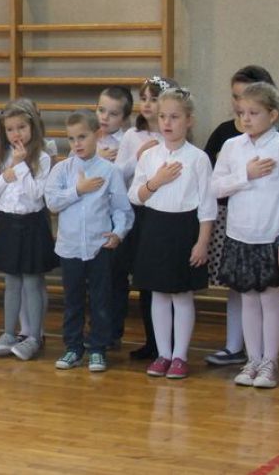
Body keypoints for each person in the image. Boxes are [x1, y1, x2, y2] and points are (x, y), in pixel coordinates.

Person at [203, 66, 279, 367]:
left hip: (272, 236)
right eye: (242, 113)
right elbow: (214, 187)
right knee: (247, 300)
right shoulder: (231, 146)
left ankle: (269, 362)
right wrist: (244, 175)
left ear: (272, 115)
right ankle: (253, 359)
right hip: (240, 235)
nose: (246, 119)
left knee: (270, 301)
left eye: (253, 113)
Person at [129, 87, 217, 380]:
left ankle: (180, 355)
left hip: (185, 229)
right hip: (154, 228)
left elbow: (207, 206)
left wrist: (202, 242)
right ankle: (163, 354)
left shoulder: (198, 158)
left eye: (175, 117)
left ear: (189, 120)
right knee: (158, 293)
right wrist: (156, 181)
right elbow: (135, 196)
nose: (167, 123)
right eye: (163, 116)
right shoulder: (149, 156)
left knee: (181, 295)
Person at [46, 110, 133, 373]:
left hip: (99, 247)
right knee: (72, 300)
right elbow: (52, 202)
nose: (77, 144)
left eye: (82, 137)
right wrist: (78, 190)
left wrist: (118, 232)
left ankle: (97, 348)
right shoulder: (62, 169)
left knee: (100, 300)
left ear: (97, 135)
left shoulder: (110, 171)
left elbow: (122, 209)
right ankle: (73, 347)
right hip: (70, 248)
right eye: (72, 139)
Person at [0, 100, 57, 360]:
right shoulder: (0, 156)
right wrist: (7, 173)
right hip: (8, 223)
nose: (16, 134)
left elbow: (37, 194)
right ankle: (8, 333)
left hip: (33, 224)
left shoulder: (43, 157)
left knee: (32, 282)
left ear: (32, 127)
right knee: (12, 282)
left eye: (22, 127)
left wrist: (21, 166)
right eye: (10, 129)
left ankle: (34, 336)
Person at [114, 76, 170, 360]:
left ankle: (166, 344)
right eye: (144, 98)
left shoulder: (170, 135)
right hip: (135, 210)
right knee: (139, 278)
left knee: (160, 278)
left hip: (163, 213)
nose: (147, 104)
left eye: (154, 98)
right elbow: (118, 173)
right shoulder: (132, 136)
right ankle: (149, 341)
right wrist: (138, 156)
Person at [96, 86, 134, 350]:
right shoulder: (89, 138)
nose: (105, 117)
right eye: (101, 110)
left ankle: (112, 332)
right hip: (93, 218)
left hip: (117, 217)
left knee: (116, 278)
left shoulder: (127, 143)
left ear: (125, 118)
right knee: (95, 278)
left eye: (113, 114)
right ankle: (96, 328)